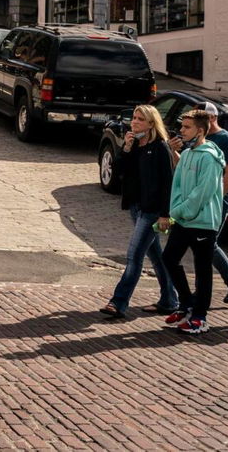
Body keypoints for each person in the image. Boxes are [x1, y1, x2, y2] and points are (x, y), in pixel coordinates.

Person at [100, 105, 177, 318]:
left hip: (152, 210)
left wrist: (165, 214)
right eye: (134, 118)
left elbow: (167, 183)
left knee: (134, 256)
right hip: (135, 206)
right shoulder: (134, 145)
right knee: (156, 256)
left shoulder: (160, 147)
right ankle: (170, 299)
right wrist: (125, 148)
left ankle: (118, 302)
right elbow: (118, 171)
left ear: (151, 123)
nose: (134, 122)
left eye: (140, 119)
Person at [172, 103, 228, 303]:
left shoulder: (226, 140)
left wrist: (217, 200)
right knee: (196, 248)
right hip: (194, 200)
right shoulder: (194, 139)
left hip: (216, 199)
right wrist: (174, 152)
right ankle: (204, 292)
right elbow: (186, 168)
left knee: (207, 245)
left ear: (212, 119)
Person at [161, 110, 226, 335]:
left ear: (200, 130)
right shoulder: (187, 154)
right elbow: (177, 185)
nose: (181, 130)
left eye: (187, 127)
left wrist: (177, 213)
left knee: (202, 269)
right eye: (182, 126)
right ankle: (187, 304)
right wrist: (175, 213)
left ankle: (200, 317)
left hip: (203, 222)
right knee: (168, 258)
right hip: (183, 220)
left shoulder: (210, 157)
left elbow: (202, 194)